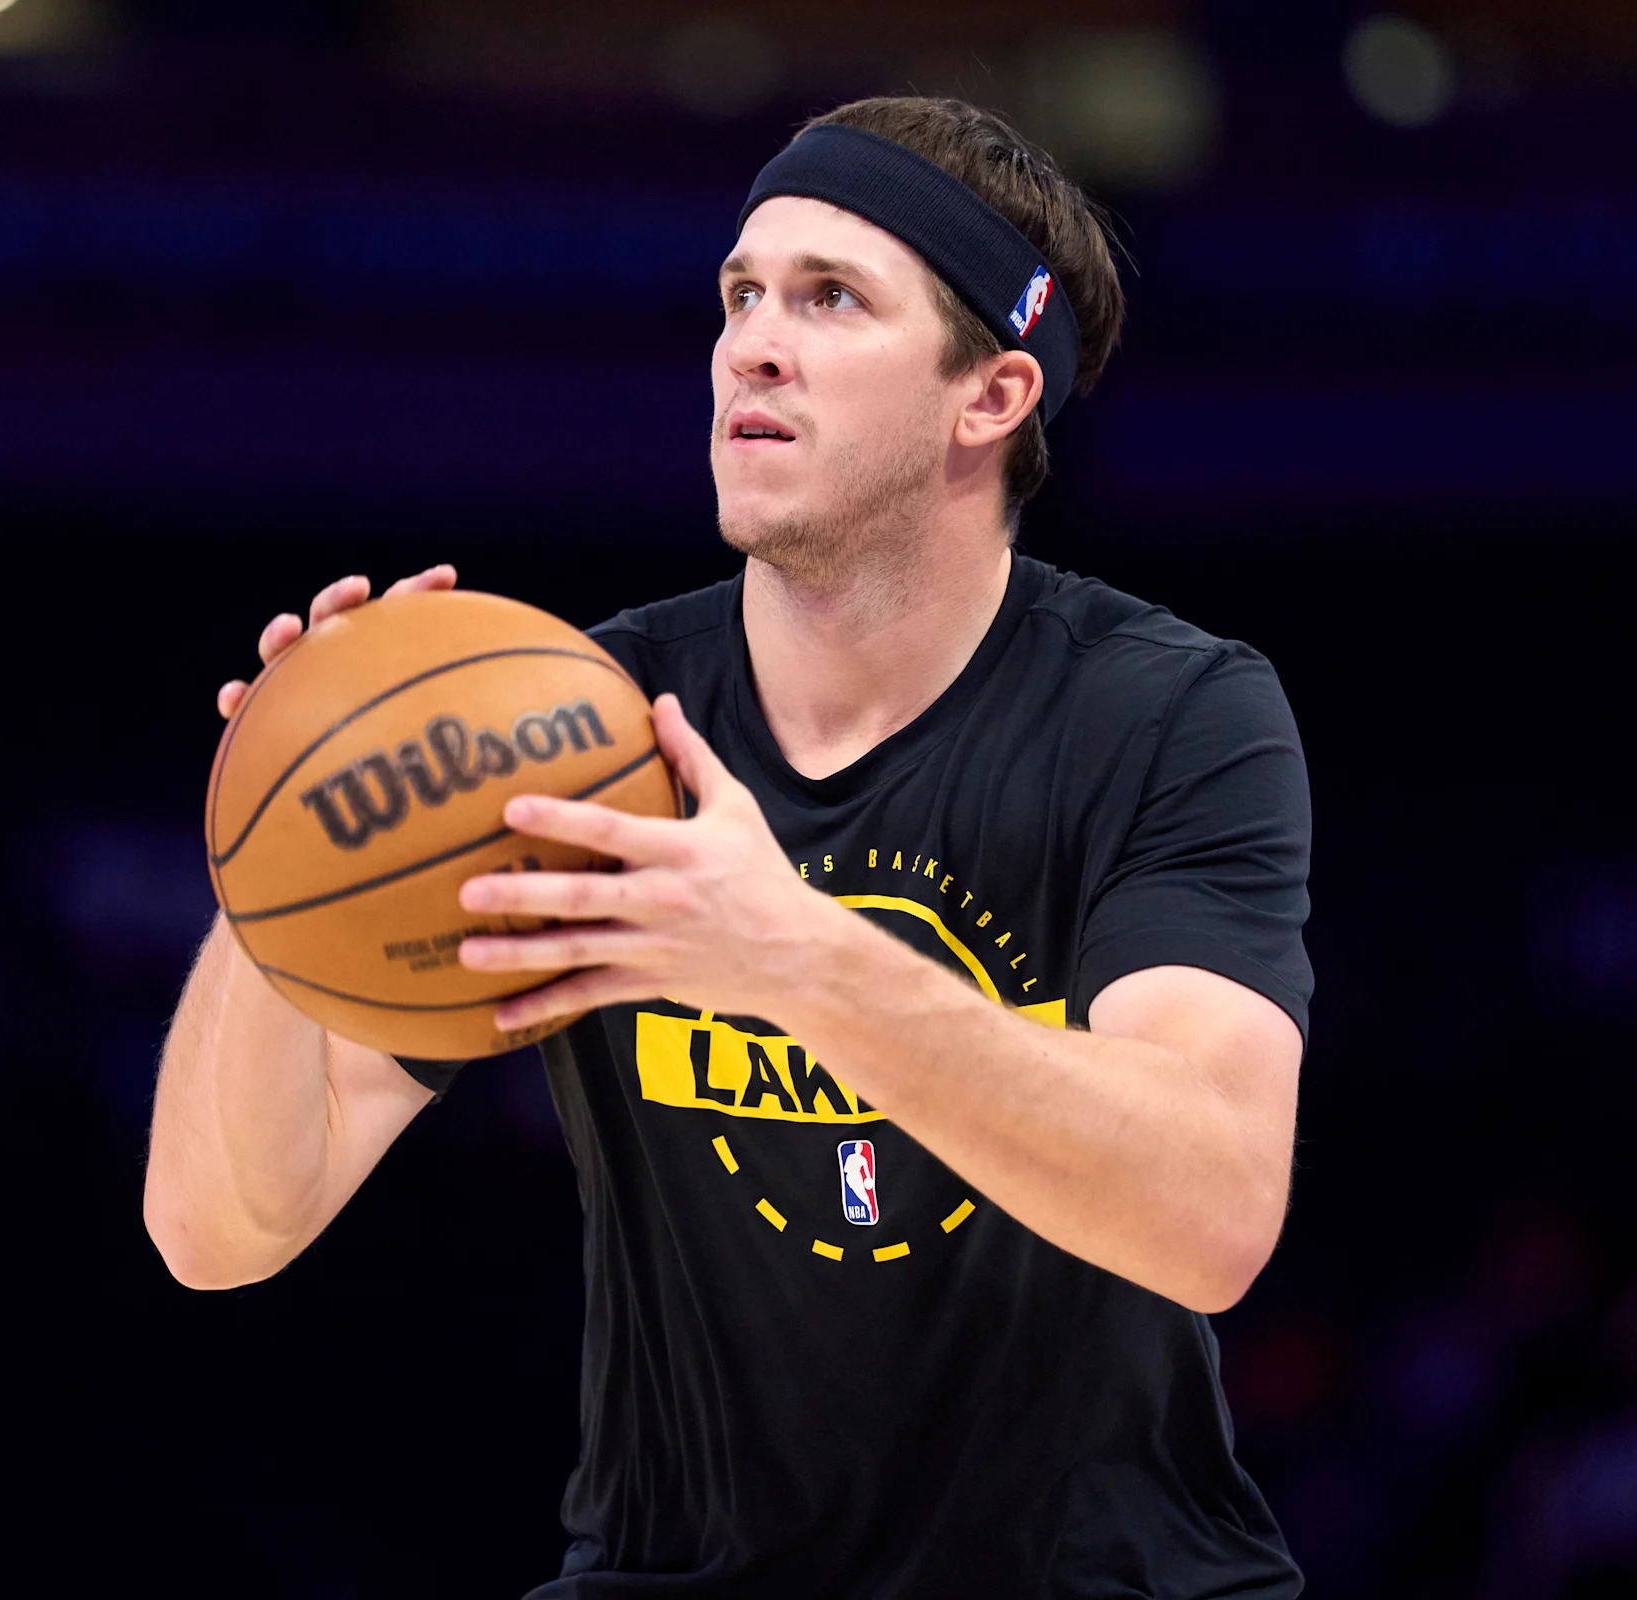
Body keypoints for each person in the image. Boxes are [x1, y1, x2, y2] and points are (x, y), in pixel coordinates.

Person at [145, 95, 1311, 1598]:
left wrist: (796, 959)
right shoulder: (573, 729)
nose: (753, 344)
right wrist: (281, 843)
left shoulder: (1168, 713)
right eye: (741, 294)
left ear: (992, 395)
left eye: (832, 299)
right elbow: (220, 1233)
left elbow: (1212, 1211)